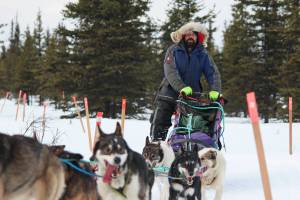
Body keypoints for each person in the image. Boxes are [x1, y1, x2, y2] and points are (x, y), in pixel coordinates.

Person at [150, 21, 221, 142]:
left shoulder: (203, 54)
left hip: (191, 96)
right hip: (169, 92)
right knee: (160, 121)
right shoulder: (173, 50)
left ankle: (187, 150)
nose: (190, 37)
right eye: (187, 34)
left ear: (197, 36)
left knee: (191, 127)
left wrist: (215, 90)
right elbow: (170, 71)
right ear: (183, 36)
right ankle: (157, 146)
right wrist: (181, 87)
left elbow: (212, 73)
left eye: (192, 34)